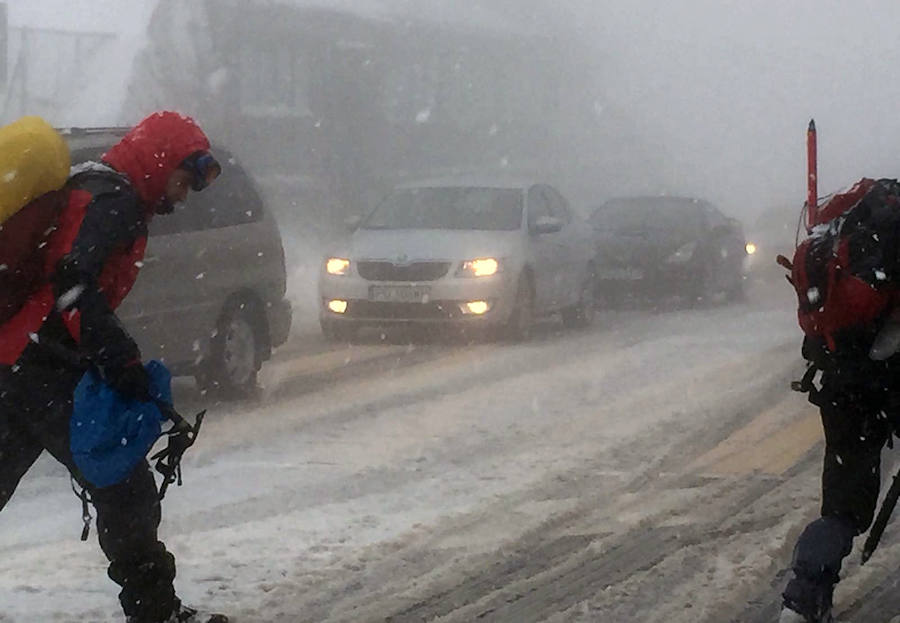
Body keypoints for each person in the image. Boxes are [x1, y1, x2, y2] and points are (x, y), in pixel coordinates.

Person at [0, 111, 227, 623]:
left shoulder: (95, 187)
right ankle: (156, 612)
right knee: (124, 485)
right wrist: (116, 357)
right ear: (164, 161)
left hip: (14, 356)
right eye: (184, 181)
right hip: (44, 363)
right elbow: (73, 279)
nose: (183, 195)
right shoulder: (116, 200)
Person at [779, 179, 900, 622]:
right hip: (890, 375)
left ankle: (805, 595)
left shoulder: (853, 219)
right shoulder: (889, 232)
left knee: (843, 506)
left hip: (841, 377)